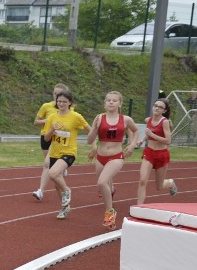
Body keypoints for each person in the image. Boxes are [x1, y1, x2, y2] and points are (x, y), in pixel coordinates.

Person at [86, 91, 139, 230]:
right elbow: (90, 140)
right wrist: (95, 128)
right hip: (100, 156)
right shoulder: (99, 118)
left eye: (114, 100)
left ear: (120, 104)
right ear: (104, 104)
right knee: (104, 186)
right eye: (108, 100)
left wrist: (132, 144)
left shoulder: (126, 119)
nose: (111, 102)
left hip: (116, 156)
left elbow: (136, 131)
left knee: (102, 182)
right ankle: (112, 189)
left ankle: (110, 214)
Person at [44, 89, 90, 220]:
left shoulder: (76, 117)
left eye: (64, 102)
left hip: (69, 152)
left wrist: (93, 146)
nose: (61, 104)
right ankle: (64, 208)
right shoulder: (52, 117)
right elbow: (46, 139)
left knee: (52, 173)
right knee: (56, 183)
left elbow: (90, 130)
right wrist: (53, 129)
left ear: (70, 102)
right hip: (54, 152)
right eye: (59, 101)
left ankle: (67, 191)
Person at [32, 83, 70, 201]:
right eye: (54, 93)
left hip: (57, 140)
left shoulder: (68, 108)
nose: (56, 96)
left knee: (47, 164)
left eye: (58, 94)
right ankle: (60, 170)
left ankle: (41, 191)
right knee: (49, 165)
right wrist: (47, 120)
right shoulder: (46, 106)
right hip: (45, 137)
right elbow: (35, 122)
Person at [137, 97, 178, 204]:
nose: (156, 108)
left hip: (161, 155)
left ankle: (170, 183)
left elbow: (168, 141)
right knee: (142, 181)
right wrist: (142, 140)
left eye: (160, 107)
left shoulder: (165, 122)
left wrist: (151, 135)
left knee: (159, 187)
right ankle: (139, 208)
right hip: (149, 153)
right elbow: (150, 132)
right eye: (155, 106)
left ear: (164, 111)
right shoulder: (148, 120)